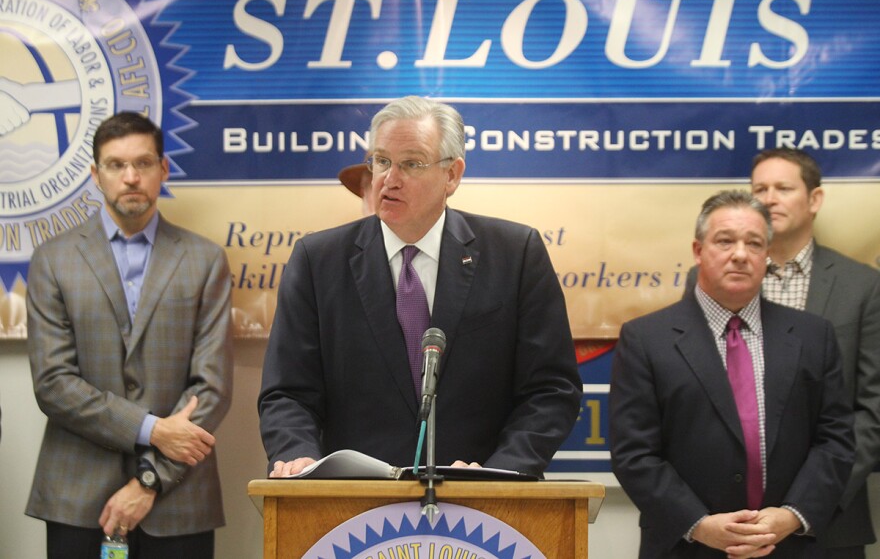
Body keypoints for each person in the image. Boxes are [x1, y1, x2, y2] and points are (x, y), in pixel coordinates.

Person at [259, 95, 582, 478]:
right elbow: (288, 391)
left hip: (486, 508)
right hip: (353, 505)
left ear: (452, 174)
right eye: (381, 161)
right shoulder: (318, 260)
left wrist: (499, 473)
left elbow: (551, 389)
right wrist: (298, 454)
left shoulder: (515, 254)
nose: (389, 179)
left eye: (411, 164)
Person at [26, 112, 233, 559]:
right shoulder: (52, 260)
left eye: (143, 163)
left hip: (180, 498)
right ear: (95, 174)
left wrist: (149, 480)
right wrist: (152, 430)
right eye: (116, 165)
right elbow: (53, 384)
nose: (131, 176)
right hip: (77, 497)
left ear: (164, 169)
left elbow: (211, 389)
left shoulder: (206, 260)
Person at [611, 189, 854, 558]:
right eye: (725, 241)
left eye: (754, 243)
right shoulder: (645, 339)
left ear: (767, 255)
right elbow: (635, 453)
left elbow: (835, 440)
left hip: (791, 546)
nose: (740, 254)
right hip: (687, 546)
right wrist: (700, 524)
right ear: (698, 251)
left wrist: (791, 516)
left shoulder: (812, 336)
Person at [684, 148, 880, 557]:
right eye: (760, 189)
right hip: (727, 524)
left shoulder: (863, 286)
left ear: (814, 200)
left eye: (783, 188)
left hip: (829, 525)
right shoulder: (706, 280)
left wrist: (803, 504)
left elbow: (871, 410)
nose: (769, 198)